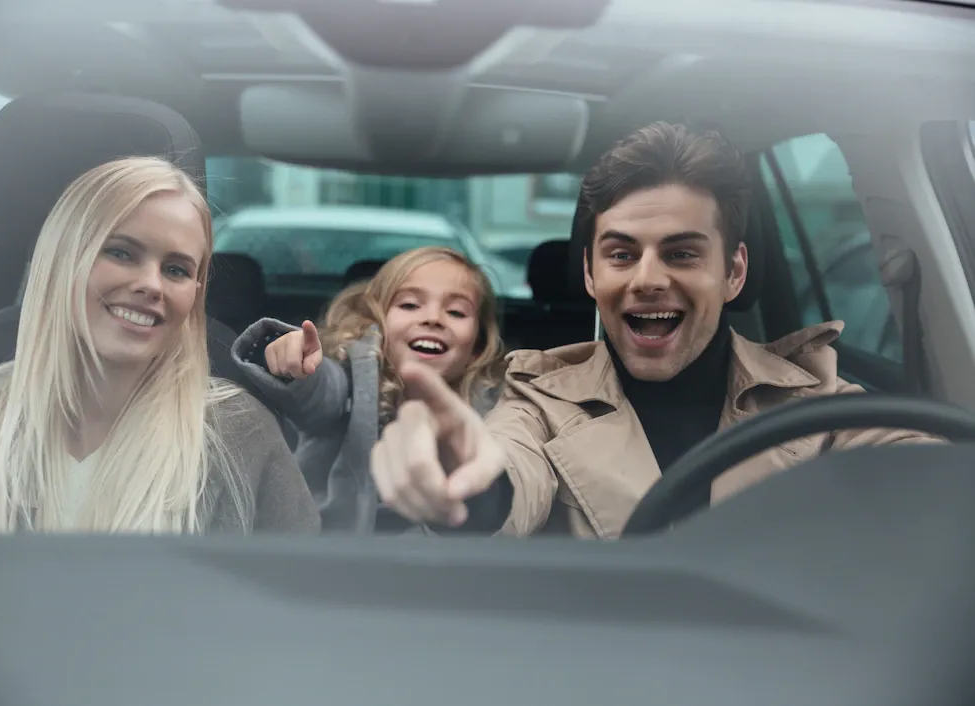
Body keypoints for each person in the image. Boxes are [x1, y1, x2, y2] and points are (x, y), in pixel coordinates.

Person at [367, 122, 940, 538]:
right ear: (590, 273)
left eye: (682, 253)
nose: (646, 280)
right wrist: (470, 479)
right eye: (621, 254)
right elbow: (509, 466)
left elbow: (934, 478)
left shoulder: (817, 398)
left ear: (734, 272)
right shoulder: (537, 400)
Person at [0, 156, 320, 534]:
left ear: (196, 292)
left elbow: (295, 581)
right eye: (121, 253)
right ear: (62, 259)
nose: (151, 284)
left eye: (176, 269)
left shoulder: (241, 435)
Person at [231, 246, 507, 533]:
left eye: (456, 312)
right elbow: (323, 394)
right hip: (341, 551)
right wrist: (299, 366)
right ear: (377, 323)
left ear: (477, 346)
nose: (433, 318)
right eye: (410, 305)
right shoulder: (352, 376)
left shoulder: (494, 408)